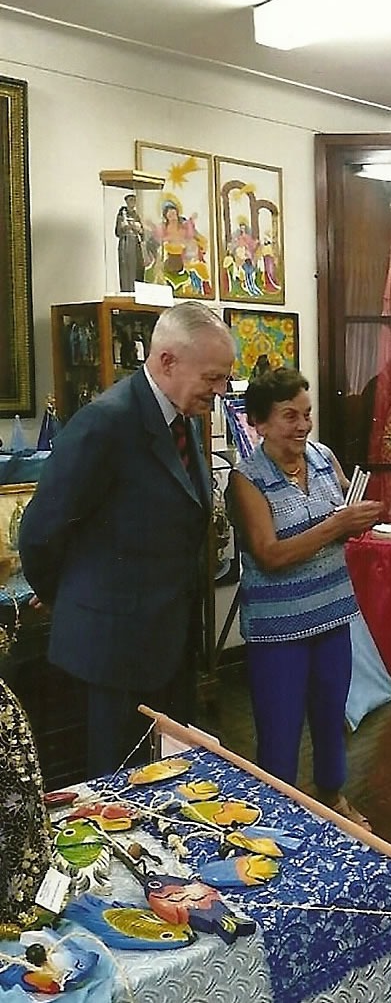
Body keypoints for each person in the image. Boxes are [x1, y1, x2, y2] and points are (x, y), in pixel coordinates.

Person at [18, 301, 235, 777]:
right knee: (120, 792)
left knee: (170, 779)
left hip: (168, 645)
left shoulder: (180, 421)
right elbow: (39, 531)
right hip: (113, 650)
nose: (220, 392)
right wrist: (68, 596)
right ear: (167, 361)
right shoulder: (106, 423)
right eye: (213, 378)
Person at [227, 368, 382, 828]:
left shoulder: (322, 458)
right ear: (259, 422)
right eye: (289, 415)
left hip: (333, 616)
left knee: (331, 716)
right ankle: (276, 822)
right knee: (280, 731)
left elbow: (338, 528)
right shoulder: (246, 479)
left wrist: (354, 523)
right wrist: (336, 526)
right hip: (279, 632)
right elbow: (270, 554)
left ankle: (332, 796)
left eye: (307, 413)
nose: (302, 425)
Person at [114, 192, 145, 292]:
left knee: (137, 269)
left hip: (135, 243)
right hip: (126, 242)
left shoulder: (137, 215)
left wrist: (138, 229)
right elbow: (118, 231)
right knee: (126, 270)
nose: (132, 203)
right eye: (130, 200)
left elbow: (142, 232)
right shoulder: (122, 214)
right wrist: (126, 226)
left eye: (134, 200)